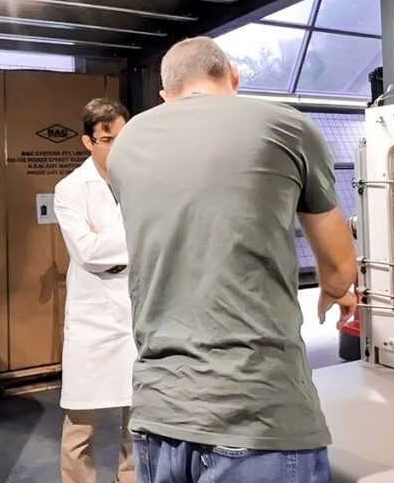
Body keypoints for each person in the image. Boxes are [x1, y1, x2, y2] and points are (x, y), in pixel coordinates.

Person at [106, 36, 357, 483]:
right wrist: (335, 293)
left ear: (166, 95)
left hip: (158, 416)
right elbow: (340, 265)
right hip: (258, 413)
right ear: (234, 75)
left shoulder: (126, 145)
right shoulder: (285, 125)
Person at [54, 98, 137, 483]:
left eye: (122, 136)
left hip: (136, 315)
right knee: (78, 432)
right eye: (106, 139)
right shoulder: (70, 189)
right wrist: (133, 240)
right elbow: (87, 252)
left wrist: (111, 244)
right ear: (88, 142)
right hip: (92, 321)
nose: (115, 147)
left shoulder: (140, 180)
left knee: (138, 427)